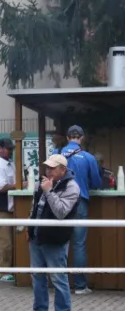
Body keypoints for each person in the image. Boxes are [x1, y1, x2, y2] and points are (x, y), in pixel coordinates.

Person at [24, 154, 80, 311]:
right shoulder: (44, 182)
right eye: (47, 167)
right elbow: (35, 208)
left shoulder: (71, 187)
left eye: (52, 168)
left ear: (63, 170)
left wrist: (49, 191)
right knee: (38, 278)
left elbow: (61, 212)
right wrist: (29, 228)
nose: (48, 171)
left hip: (55, 239)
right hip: (37, 237)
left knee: (58, 278)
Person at [53, 125, 102, 295]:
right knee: (79, 244)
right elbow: (96, 183)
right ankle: (80, 286)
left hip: (58, 202)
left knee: (61, 243)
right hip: (80, 202)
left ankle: (60, 284)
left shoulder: (56, 155)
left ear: (67, 138)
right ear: (81, 138)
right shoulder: (88, 157)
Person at [0, 138, 24, 283]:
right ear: (0, 149)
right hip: (1, 207)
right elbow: (1, 187)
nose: (11, 151)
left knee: (10, 241)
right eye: (8, 149)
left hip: (9, 207)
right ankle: (3, 271)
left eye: (11, 149)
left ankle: (9, 269)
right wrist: (19, 185)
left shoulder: (10, 164)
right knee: (5, 241)